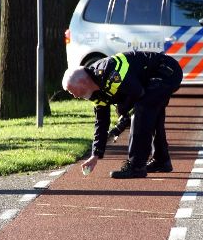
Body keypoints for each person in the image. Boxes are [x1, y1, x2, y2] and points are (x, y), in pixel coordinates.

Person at [62, 51, 183, 179]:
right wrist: (95, 155)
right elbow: (101, 122)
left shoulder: (111, 72)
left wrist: (122, 122)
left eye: (71, 91)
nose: (74, 96)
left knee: (142, 111)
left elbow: (138, 94)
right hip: (148, 81)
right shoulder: (95, 91)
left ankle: (136, 166)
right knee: (152, 113)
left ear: (83, 82)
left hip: (167, 71)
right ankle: (162, 161)